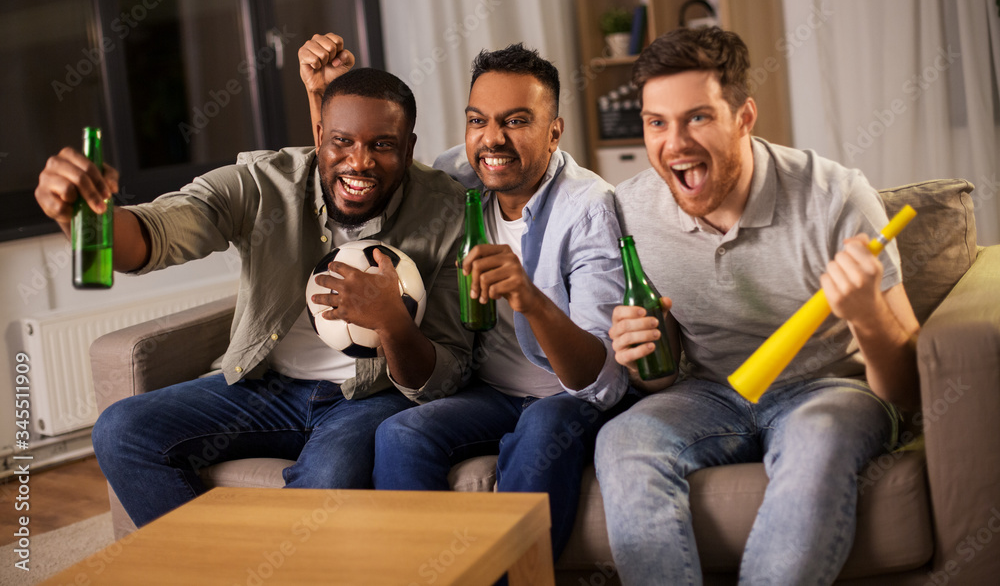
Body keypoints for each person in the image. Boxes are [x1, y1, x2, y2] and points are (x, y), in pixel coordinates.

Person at [35, 64, 473, 528]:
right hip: (268, 385)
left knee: (327, 476)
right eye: (342, 141)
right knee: (122, 431)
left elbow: (446, 375)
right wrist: (85, 218)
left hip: (374, 396)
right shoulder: (265, 183)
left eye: (382, 145)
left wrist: (393, 323)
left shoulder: (446, 211)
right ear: (319, 134)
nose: (359, 161)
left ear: (408, 149)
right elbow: (156, 231)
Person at [595, 26, 921, 585]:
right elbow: (662, 376)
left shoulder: (836, 196)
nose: (674, 143)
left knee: (822, 435)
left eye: (698, 116)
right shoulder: (629, 211)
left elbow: (910, 390)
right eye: (657, 123)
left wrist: (867, 312)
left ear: (744, 117)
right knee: (622, 437)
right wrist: (640, 355)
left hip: (828, 389)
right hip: (708, 392)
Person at [298, 34, 630, 559]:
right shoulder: (459, 175)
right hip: (487, 391)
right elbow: (360, 168)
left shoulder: (588, 208)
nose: (492, 139)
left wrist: (529, 297)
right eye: (479, 121)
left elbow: (604, 378)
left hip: (562, 397)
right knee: (402, 435)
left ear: (554, 132)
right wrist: (327, 94)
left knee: (542, 429)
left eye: (516, 121)